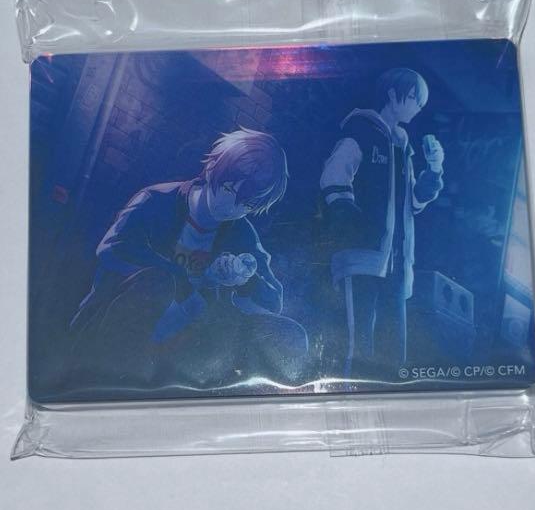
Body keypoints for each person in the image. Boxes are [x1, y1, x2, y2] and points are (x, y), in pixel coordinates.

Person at [69, 127, 307, 392]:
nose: (233, 207)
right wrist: (185, 277)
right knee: (158, 283)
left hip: (190, 346)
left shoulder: (241, 233)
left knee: (289, 334)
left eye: (247, 205)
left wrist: (244, 280)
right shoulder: (157, 200)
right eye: (229, 189)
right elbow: (112, 249)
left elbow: (273, 300)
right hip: (121, 330)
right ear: (212, 169)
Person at [319, 68, 445, 376]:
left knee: (394, 355)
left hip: (397, 265)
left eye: (421, 102)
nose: (417, 107)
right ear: (392, 94)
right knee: (358, 344)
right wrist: (352, 222)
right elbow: (334, 176)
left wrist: (434, 168)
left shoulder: (404, 146)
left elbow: (414, 203)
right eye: (414, 98)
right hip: (362, 257)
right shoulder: (362, 131)